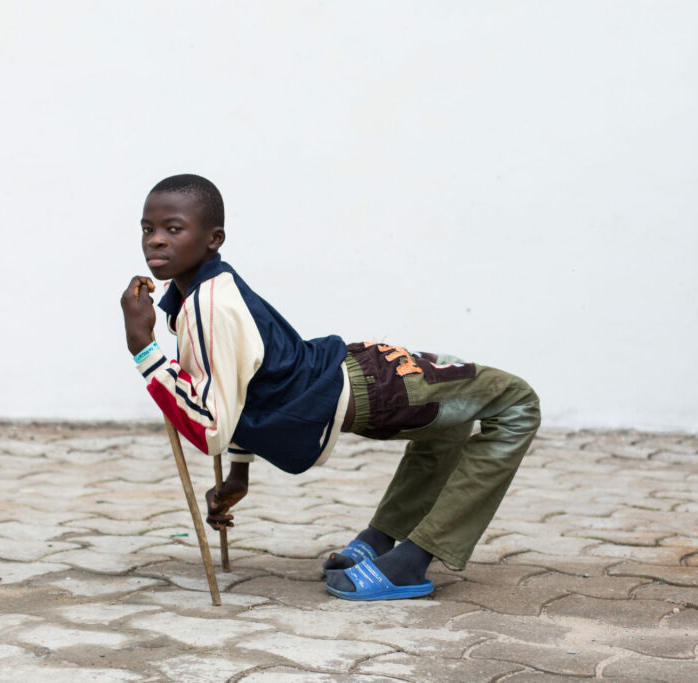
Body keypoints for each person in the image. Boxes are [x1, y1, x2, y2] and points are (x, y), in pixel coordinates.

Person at [120, 174, 540, 601]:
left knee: (510, 403)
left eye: (173, 229)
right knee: (498, 407)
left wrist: (145, 351)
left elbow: (212, 423)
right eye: (147, 229)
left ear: (214, 239)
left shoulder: (209, 304)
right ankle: (394, 554)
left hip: (373, 382)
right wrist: (238, 475)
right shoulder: (200, 299)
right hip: (364, 383)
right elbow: (238, 394)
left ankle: (393, 550)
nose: (155, 240)